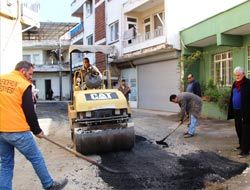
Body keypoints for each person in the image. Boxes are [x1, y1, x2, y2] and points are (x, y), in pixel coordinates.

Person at [0, 61, 68, 190]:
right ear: (22, 71)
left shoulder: (1, 79)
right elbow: (29, 111)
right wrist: (36, 130)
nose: (31, 77)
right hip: (17, 131)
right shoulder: (24, 84)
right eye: (30, 74)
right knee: (36, 158)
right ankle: (49, 185)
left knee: (6, 164)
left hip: (1, 132)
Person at [228, 66, 250, 157]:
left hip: (245, 111)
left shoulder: (248, 83)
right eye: (235, 75)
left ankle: (245, 151)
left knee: (246, 131)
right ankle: (241, 145)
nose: (237, 77)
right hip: (236, 111)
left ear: (243, 74)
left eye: (238, 75)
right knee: (238, 129)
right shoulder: (235, 83)